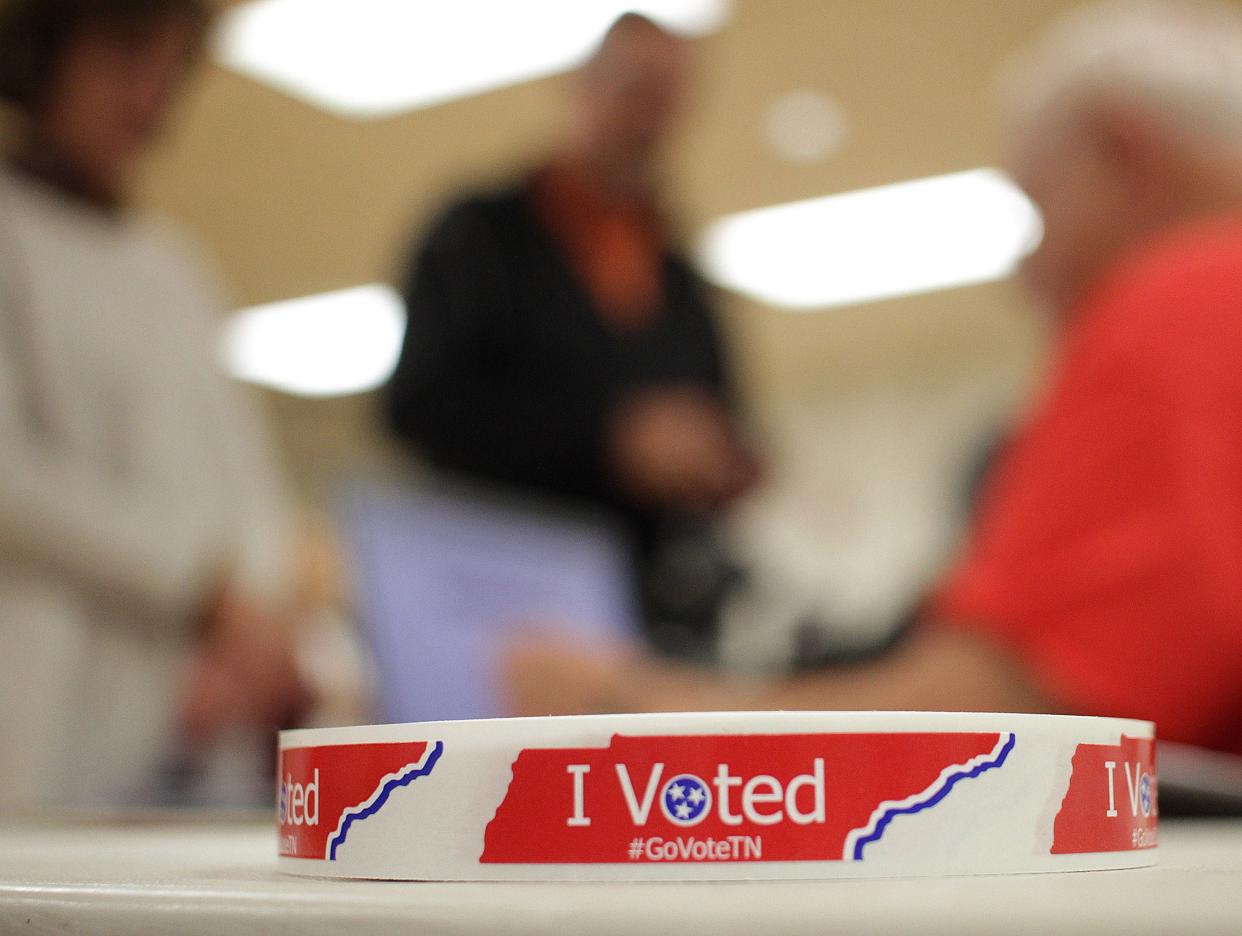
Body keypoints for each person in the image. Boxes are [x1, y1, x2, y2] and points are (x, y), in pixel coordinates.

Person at [504, 0, 1242, 757]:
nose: (1030, 272)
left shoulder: (1186, 296)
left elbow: (999, 727)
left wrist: (623, 703)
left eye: (1039, 207)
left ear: (1128, 154)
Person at [0, 0, 309, 808]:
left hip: (200, 722)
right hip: (44, 711)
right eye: (128, 54)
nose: (152, 92)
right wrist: (203, 590)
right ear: (48, 48)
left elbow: (248, 484)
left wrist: (256, 626)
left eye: (173, 67)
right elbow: (12, 481)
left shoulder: (177, 268)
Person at [384, 13, 758, 655]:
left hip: (658, 618)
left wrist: (727, 460)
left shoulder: (679, 276)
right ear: (579, 86)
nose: (650, 119)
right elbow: (418, 405)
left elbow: (729, 412)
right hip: (508, 613)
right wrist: (611, 438)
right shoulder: (479, 237)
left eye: (670, 100)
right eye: (634, 90)